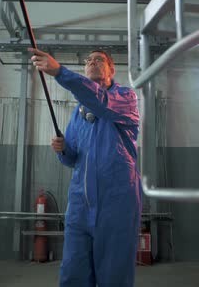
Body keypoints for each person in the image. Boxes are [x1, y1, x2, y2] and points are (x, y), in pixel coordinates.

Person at [29, 47, 142, 287]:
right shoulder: (79, 113)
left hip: (117, 204)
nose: (91, 62)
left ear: (112, 69)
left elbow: (101, 101)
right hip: (80, 205)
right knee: (73, 272)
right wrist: (63, 149)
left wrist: (59, 71)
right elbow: (72, 159)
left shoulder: (125, 98)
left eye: (98, 60)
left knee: (114, 276)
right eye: (88, 60)